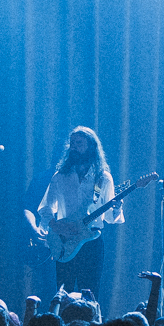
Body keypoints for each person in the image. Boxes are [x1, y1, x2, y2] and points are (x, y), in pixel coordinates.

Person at [31, 126, 122, 299]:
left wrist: (117, 207)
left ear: (91, 147)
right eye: (71, 143)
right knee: (63, 294)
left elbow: (109, 217)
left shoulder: (103, 178)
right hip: (65, 241)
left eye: (79, 143)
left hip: (91, 243)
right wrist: (56, 226)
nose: (73, 147)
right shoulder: (60, 176)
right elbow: (45, 207)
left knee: (90, 294)